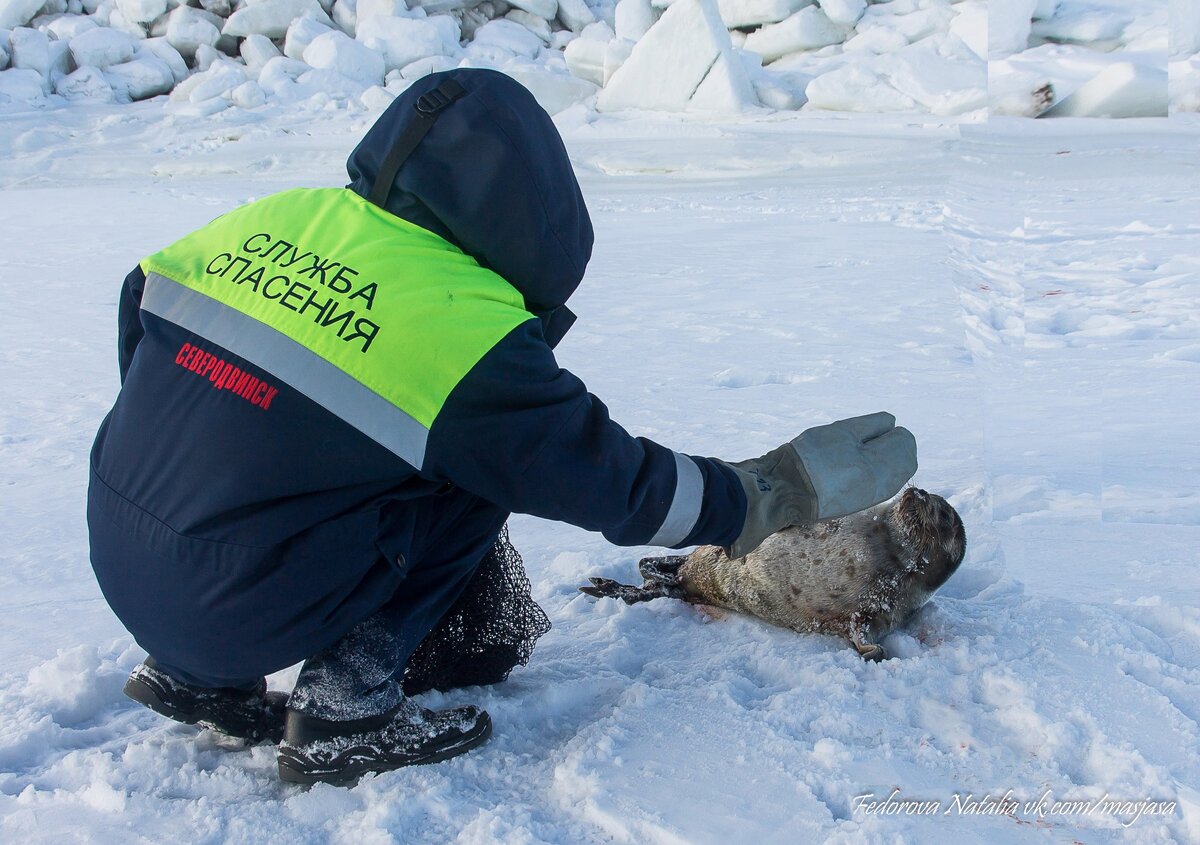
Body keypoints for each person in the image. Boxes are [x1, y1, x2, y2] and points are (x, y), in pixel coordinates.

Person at [87, 69, 917, 785]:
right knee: (468, 478)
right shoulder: (455, 332)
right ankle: (347, 708)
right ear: (531, 209)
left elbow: (142, 342)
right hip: (244, 595)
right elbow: (600, 474)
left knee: (266, 439)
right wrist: (761, 494)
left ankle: (195, 678)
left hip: (120, 557)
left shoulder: (271, 219)